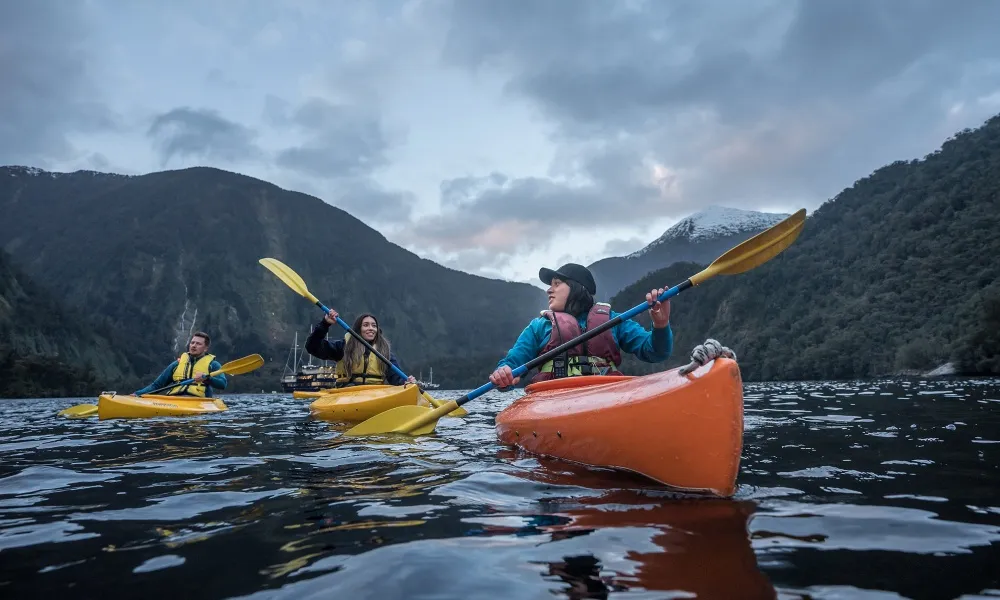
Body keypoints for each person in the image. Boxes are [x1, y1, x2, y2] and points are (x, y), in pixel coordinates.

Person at [489, 263, 672, 389]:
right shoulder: (539, 326)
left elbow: (655, 352)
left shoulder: (613, 321)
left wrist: (661, 324)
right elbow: (512, 364)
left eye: (557, 284)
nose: (549, 290)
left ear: (577, 288)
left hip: (606, 395)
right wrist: (503, 374)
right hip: (551, 399)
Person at [305, 309, 417, 387]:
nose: (371, 328)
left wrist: (406, 383)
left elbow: (396, 378)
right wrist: (325, 324)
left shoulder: (384, 352)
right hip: (347, 393)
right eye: (366, 325)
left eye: (374, 326)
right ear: (358, 329)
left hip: (375, 395)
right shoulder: (344, 347)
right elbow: (312, 347)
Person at [134, 332, 228, 396]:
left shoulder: (213, 365)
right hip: (174, 400)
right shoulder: (176, 364)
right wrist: (137, 394)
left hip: (198, 402)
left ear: (206, 348)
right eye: (192, 343)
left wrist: (207, 378)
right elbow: (157, 385)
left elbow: (222, 384)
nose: (194, 346)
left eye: (198, 344)